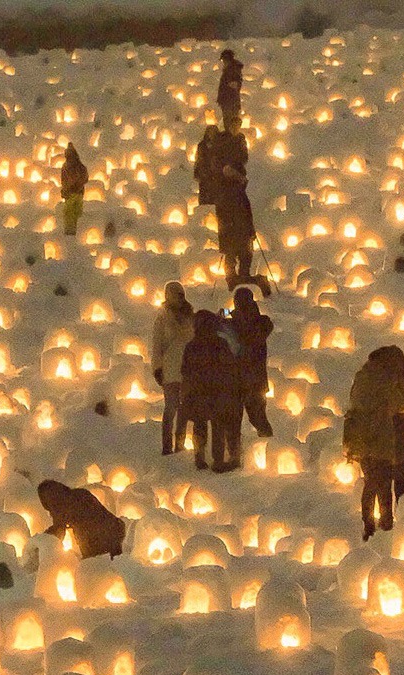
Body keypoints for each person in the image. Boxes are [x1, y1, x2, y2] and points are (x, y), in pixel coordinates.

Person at [343, 346, 404, 540]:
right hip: (381, 438)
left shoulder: (364, 376)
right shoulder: (385, 381)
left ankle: (369, 524)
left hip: (361, 439)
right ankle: (385, 526)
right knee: (386, 482)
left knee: (372, 482)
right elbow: (403, 403)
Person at [198, 113, 270, 296]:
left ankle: (242, 276)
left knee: (244, 248)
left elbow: (245, 209)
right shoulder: (226, 187)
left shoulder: (238, 187)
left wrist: (250, 228)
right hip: (230, 216)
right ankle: (233, 277)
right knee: (232, 248)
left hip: (239, 216)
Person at [180, 309, 241, 471]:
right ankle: (218, 460)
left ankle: (199, 456)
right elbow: (230, 366)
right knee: (218, 426)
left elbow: (185, 369)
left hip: (198, 391)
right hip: (217, 391)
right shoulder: (220, 344)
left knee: (200, 424)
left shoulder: (191, 346)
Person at [152, 282, 195, 455]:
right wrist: (157, 368)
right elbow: (157, 346)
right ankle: (167, 446)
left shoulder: (190, 317)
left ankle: (180, 444)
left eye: (181, 294)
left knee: (184, 408)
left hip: (187, 369)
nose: (180, 297)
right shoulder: (163, 319)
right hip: (170, 370)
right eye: (176, 294)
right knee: (171, 408)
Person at [37, 479, 125, 559]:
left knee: (99, 567)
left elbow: (58, 530)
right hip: (114, 530)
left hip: (97, 540)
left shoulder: (60, 506)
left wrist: (41, 544)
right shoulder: (80, 493)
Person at [231, 286, 274, 438]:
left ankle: (237, 452)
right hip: (252, 380)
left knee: (253, 417)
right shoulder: (261, 321)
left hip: (246, 380)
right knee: (256, 417)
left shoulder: (249, 323)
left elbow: (248, 337)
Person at [60, 143, 88, 237]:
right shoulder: (78, 166)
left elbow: (65, 181)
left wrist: (67, 188)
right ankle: (75, 230)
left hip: (72, 193)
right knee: (75, 212)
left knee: (71, 212)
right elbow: (84, 177)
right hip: (77, 193)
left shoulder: (68, 166)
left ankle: (71, 231)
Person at [217, 49, 244, 125]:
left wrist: (224, 98)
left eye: (223, 60)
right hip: (228, 101)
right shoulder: (230, 70)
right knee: (230, 121)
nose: (223, 62)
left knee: (230, 122)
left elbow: (234, 84)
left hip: (230, 101)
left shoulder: (232, 70)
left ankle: (230, 135)